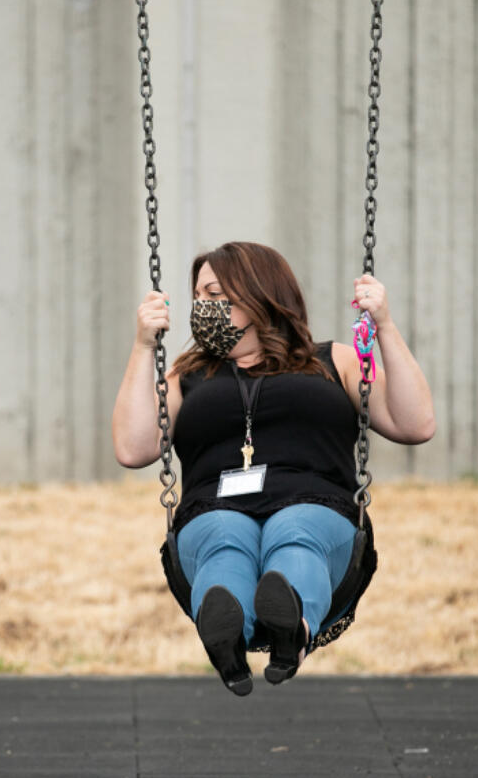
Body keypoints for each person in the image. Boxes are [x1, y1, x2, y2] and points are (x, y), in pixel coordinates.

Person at [112, 242, 434, 695]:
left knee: (295, 528)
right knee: (224, 537)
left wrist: (383, 325)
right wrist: (144, 346)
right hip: (213, 507)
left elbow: (414, 422)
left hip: (316, 502)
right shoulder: (187, 376)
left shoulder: (332, 360)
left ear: (259, 294)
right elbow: (131, 447)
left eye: (217, 295)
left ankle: (291, 625)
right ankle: (225, 631)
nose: (204, 308)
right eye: (200, 297)